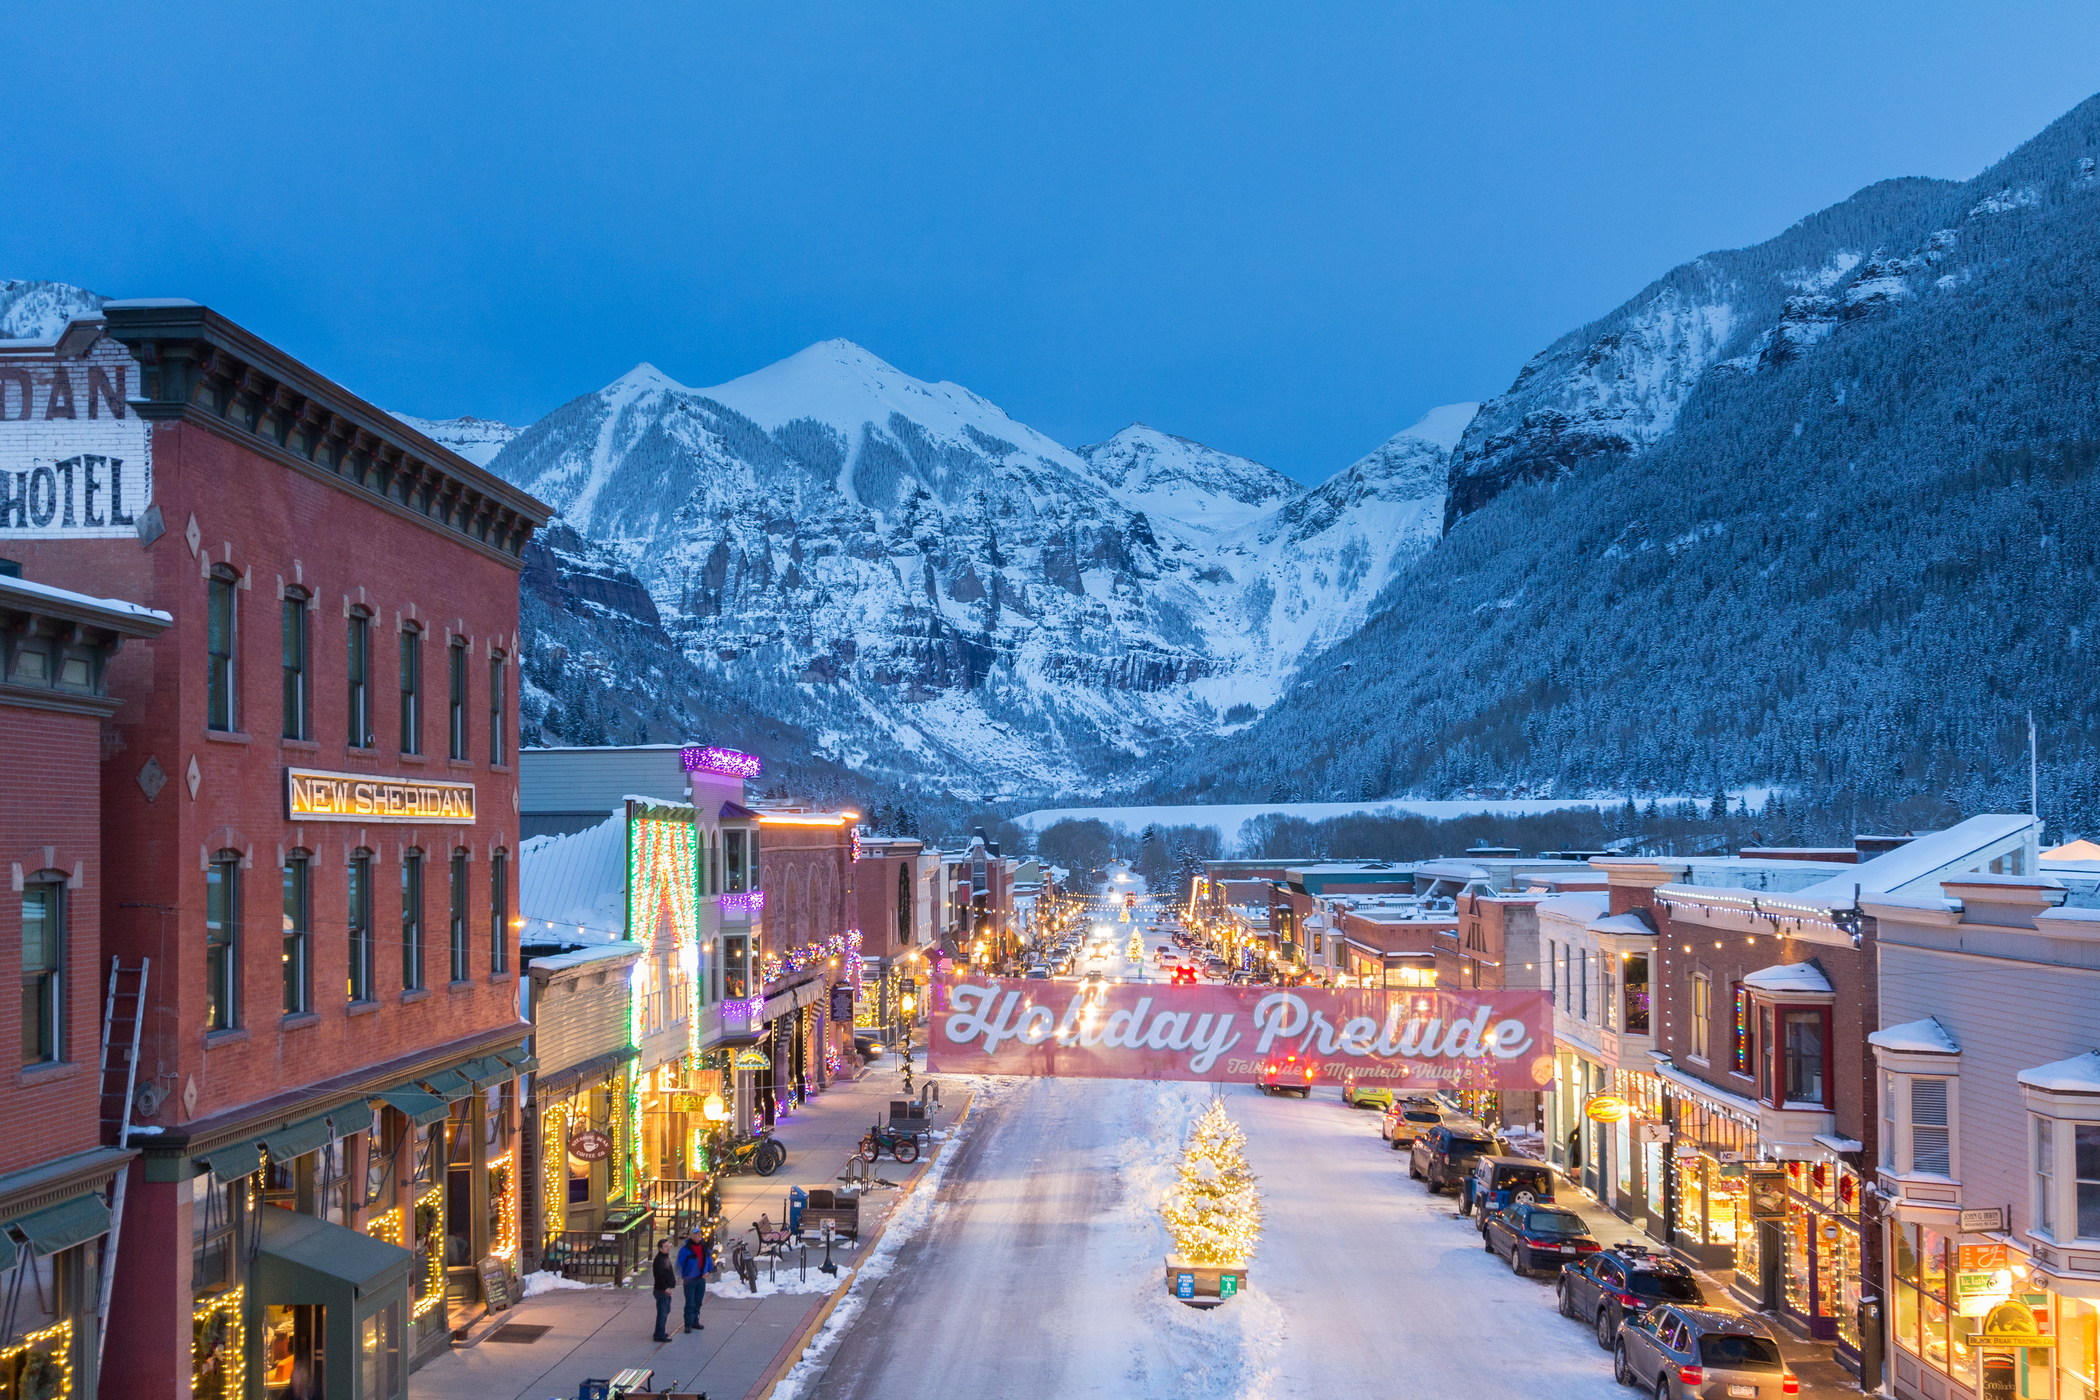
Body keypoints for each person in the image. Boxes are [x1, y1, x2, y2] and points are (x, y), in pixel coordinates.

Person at [676, 1228, 710, 1331]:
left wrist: (708, 1271)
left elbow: (708, 1259)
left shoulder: (704, 1246)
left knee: (698, 1302)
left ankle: (696, 1321)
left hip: (701, 1279)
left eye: (700, 1234)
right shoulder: (685, 1249)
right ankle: (688, 1324)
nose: (699, 1236)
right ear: (691, 1236)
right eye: (696, 1235)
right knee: (690, 1303)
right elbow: (679, 1264)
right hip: (690, 1280)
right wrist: (685, 1275)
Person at [650, 1239, 676, 1343]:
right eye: (665, 1246)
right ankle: (659, 1335)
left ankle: (659, 1331)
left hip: (665, 1290)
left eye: (668, 1245)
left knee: (666, 1311)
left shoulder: (665, 1257)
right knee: (662, 1312)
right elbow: (659, 1276)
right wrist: (666, 1288)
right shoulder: (659, 1260)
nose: (668, 1247)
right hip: (662, 1291)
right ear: (660, 1248)